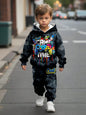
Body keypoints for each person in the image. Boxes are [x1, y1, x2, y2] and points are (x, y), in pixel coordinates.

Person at [20, 4, 66, 112]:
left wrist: (62, 62)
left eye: (46, 18)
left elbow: (60, 48)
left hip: (50, 64)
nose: (44, 21)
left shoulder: (54, 33)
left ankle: (50, 102)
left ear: (50, 18)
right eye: (41, 18)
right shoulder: (33, 34)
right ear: (37, 18)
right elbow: (27, 47)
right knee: (38, 83)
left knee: (51, 83)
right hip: (37, 65)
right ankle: (40, 95)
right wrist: (24, 60)